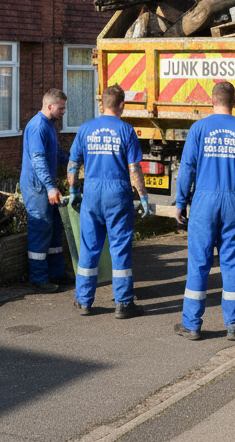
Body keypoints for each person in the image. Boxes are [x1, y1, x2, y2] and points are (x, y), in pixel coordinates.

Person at [173, 81, 235, 342]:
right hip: (234, 203)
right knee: (232, 263)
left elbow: (187, 167)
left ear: (212, 101)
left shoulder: (199, 129)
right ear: (234, 102)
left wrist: (180, 202)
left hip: (203, 202)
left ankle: (192, 325)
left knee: (199, 262)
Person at [68, 84, 149, 318]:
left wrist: (73, 191)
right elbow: (134, 170)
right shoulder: (127, 131)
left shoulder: (85, 129)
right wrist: (143, 196)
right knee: (119, 248)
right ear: (122, 105)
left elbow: (73, 165)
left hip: (92, 194)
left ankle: (84, 302)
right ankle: (123, 303)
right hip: (118, 194)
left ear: (101, 104)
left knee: (90, 248)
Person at [19, 89, 70, 292]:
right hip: (37, 187)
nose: (63, 112)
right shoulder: (37, 126)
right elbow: (38, 159)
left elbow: (55, 153)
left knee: (54, 228)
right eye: (61, 108)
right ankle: (39, 278)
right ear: (50, 106)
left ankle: (56, 272)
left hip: (45, 187)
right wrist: (50, 186)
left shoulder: (49, 126)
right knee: (41, 229)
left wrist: (74, 163)